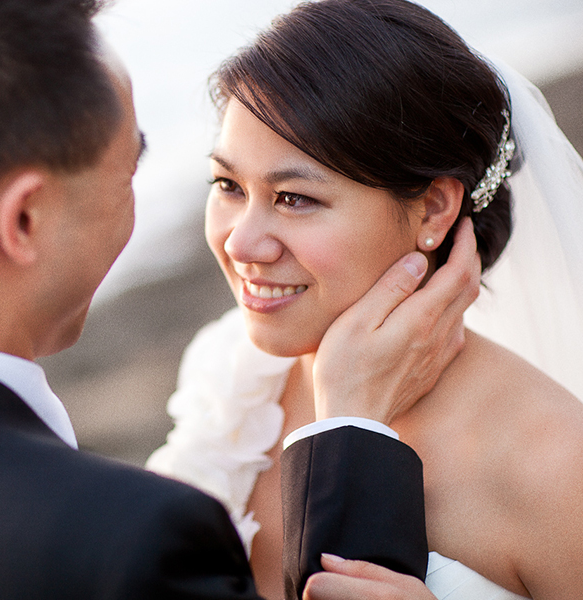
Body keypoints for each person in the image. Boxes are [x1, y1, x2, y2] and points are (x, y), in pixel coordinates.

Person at [0, 0, 479, 597]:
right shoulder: (125, 542)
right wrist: (348, 430)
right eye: (125, 174)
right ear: (25, 219)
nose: (240, 240)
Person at [147, 0, 583, 599]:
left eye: (294, 197)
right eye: (228, 185)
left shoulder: (554, 463)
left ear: (433, 209)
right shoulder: (233, 371)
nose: (240, 242)